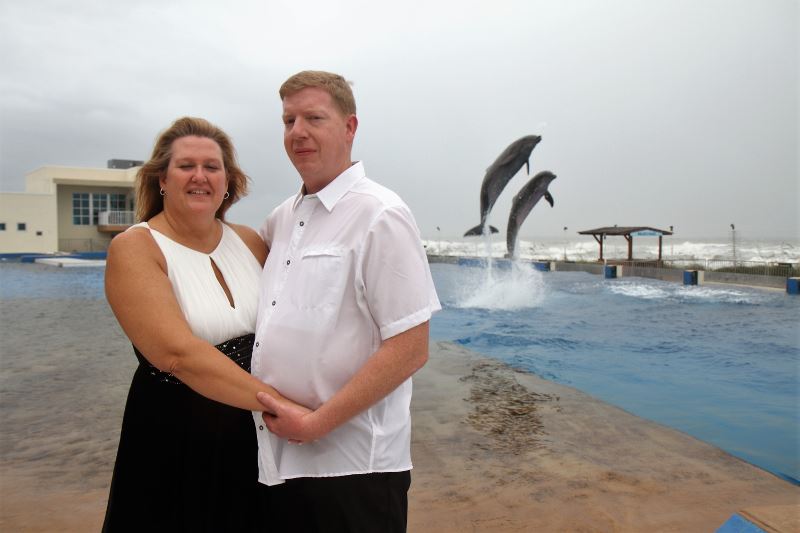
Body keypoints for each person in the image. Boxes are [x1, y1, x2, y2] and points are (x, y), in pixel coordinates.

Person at [253, 70, 441, 532]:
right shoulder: (282, 217)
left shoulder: (381, 214)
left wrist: (316, 424)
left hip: (355, 468)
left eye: (314, 118)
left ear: (350, 127)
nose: (298, 132)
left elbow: (410, 348)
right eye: (289, 120)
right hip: (278, 461)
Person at [102, 117, 292, 532]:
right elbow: (178, 355)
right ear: (162, 179)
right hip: (177, 436)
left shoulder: (250, 242)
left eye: (212, 167)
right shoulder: (135, 247)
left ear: (228, 181)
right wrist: (284, 407)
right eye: (186, 166)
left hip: (254, 432)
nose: (200, 176)